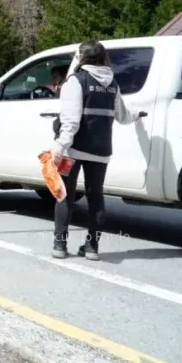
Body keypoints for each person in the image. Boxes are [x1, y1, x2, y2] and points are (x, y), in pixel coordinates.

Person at [50, 40, 141, 260]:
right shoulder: (112, 83)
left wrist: (59, 147)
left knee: (64, 196)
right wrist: (138, 115)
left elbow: (70, 122)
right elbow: (123, 116)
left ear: (81, 57)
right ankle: (92, 248)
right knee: (96, 197)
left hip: (73, 149)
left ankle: (59, 246)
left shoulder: (75, 81)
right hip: (101, 151)